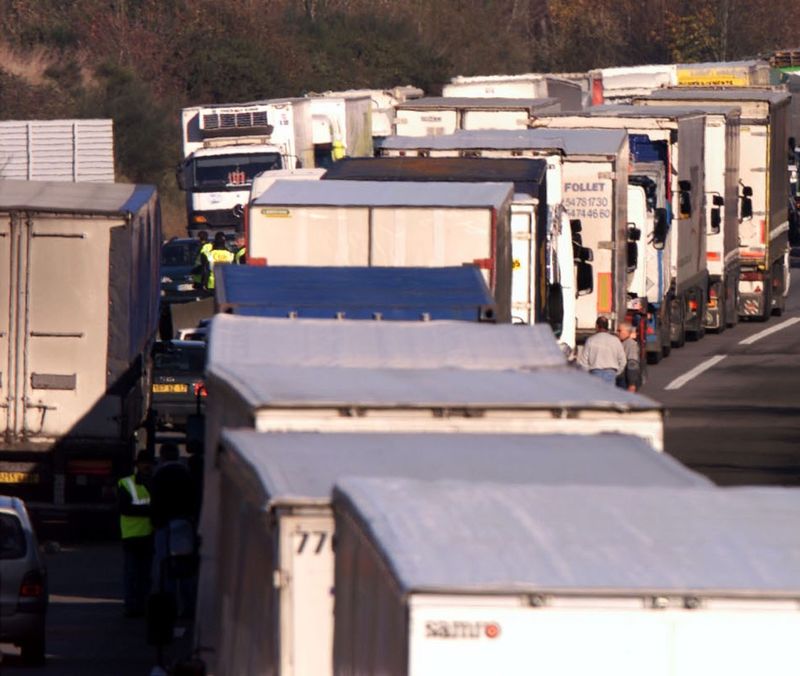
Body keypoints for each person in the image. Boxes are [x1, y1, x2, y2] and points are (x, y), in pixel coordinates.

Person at [150, 443, 198, 618]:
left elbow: (155, 502)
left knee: (165, 567)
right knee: (185, 566)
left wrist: (155, 522)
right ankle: (189, 607)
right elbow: (194, 499)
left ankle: (168, 606)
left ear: (162, 456)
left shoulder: (159, 475)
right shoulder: (186, 474)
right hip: (184, 523)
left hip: (164, 525)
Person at [118, 450, 154, 618]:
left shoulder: (154, 484)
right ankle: (132, 607)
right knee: (132, 575)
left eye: (149, 463)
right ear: (137, 465)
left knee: (145, 576)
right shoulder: (125, 483)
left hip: (149, 537)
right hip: (132, 537)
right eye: (144, 463)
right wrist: (150, 510)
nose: (147, 466)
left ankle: (142, 605)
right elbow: (125, 509)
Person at [577, 316, 626, 385]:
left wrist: (589, 373)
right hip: (611, 373)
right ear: (607, 326)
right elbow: (623, 361)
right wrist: (616, 373)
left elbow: (583, 362)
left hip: (595, 373)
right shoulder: (616, 340)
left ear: (597, 326)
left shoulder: (591, 340)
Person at [616, 321, 642, 392]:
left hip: (625, 380)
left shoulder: (631, 345)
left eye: (619, 331)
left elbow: (632, 364)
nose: (617, 332)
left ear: (627, 332)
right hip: (620, 378)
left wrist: (632, 383)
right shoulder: (621, 342)